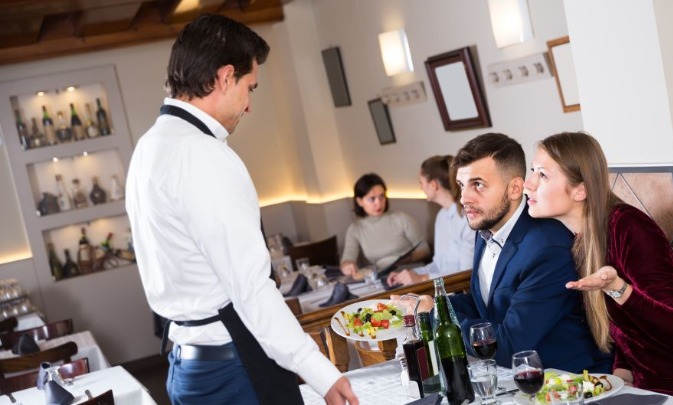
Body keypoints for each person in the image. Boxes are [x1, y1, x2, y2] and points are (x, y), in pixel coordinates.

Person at [125, 14, 357, 405]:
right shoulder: (202, 154)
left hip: (186, 364)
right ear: (224, 77)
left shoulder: (149, 147)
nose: (249, 106)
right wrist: (320, 372)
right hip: (232, 365)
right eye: (250, 88)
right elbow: (250, 288)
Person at [524, 131, 673, 404]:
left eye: (543, 175)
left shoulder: (629, 227)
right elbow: (628, 328)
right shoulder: (583, 240)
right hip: (646, 388)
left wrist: (618, 288)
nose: (528, 184)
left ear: (581, 190)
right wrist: (622, 372)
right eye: (532, 171)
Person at [397, 133, 611, 373]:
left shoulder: (547, 249)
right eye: (461, 185)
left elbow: (510, 346)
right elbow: (486, 305)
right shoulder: (486, 228)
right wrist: (425, 304)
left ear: (515, 188)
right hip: (512, 374)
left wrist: (437, 315)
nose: (464, 199)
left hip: (566, 379)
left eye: (478, 185)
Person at [387, 155, 474, 287]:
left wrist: (422, 278)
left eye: (421, 183)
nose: (421, 188)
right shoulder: (441, 216)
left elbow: (466, 274)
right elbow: (437, 265)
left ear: (433, 185)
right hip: (441, 288)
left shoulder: (467, 218)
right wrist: (409, 274)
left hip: (461, 291)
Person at [340, 173, 431, 277]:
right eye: (372, 199)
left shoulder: (401, 218)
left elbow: (425, 250)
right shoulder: (355, 229)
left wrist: (406, 260)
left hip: (413, 273)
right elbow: (348, 258)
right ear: (360, 201)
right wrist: (347, 266)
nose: (379, 203)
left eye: (382, 196)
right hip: (384, 277)